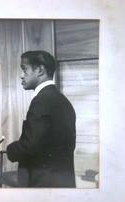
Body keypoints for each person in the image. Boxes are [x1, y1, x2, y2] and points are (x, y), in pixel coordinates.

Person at [6, 50, 76, 187]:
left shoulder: (41, 101)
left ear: (39, 70)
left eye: (24, 70)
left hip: (43, 184)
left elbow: (31, 144)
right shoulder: (64, 101)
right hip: (62, 184)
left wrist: (10, 150)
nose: (21, 76)